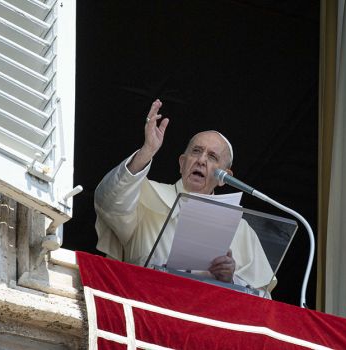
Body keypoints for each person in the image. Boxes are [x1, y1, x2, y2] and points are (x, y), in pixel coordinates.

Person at [94, 99, 275, 293]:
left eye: (212, 157)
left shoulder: (242, 230)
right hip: (146, 306)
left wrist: (230, 280)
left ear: (225, 178)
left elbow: (262, 299)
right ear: (182, 163)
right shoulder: (145, 195)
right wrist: (147, 152)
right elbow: (108, 202)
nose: (201, 160)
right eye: (196, 151)